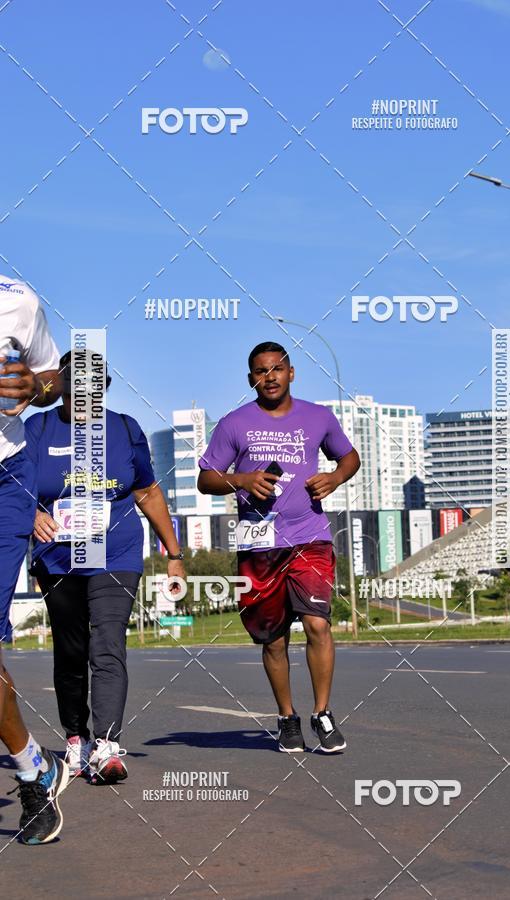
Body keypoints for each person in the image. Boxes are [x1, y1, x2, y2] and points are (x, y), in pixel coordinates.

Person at [25, 349, 185, 784]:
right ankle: (76, 739)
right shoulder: (37, 429)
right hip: (56, 557)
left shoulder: (125, 429)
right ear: (57, 386)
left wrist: (174, 555)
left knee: (108, 642)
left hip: (116, 552)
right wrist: (30, 514)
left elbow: (148, 492)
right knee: (72, 649)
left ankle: (108, 744)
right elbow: (15, 487)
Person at [198, 341, 360, 753]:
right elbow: (206, 479)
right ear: (250, 378)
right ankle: (287, 718)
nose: (269, 376)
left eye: (276, 369)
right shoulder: (234, 423)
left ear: (291, 373)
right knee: (272, 639)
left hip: (310, 536)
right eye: (260, 371)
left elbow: (350, 457)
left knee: (318, 623)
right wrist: (243, 479)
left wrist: (336, 478)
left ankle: (322, 714)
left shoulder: (318, 417)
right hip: (259, 543)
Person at [0, 274, 67, 844]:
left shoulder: (17, 299)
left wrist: (32, 387)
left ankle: (30, 777)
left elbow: (51, 377)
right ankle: (36, 762)